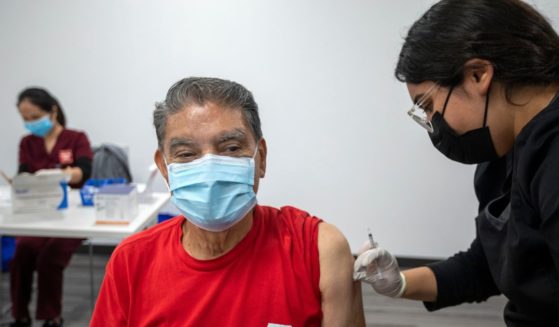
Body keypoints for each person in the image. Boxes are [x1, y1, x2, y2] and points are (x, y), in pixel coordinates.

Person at [91, 77, 365, 326]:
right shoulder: (131, 262)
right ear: (164, 167)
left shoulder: (317, 250)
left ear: (261, 158)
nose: (209, 169)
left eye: (231, 148)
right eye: (187, 154)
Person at [354, 0, 559, 325]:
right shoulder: (503, 154)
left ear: (478, 74)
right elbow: (487, 266)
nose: (433, 123)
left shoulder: (552, 156)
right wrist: (399, 283)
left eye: (429, 105)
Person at [11, 88, 93, 327]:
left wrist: (61, 174)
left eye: (35, 117)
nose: (30, 123)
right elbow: (23, 175)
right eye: (26, 119)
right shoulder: (27, 143)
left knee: (49, 258)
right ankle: (20, 316)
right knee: (22, 253)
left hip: (73, 216)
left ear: (52, 110)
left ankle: (50, 317)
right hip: (39, 214)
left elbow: (84, 171)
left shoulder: (76, 138)